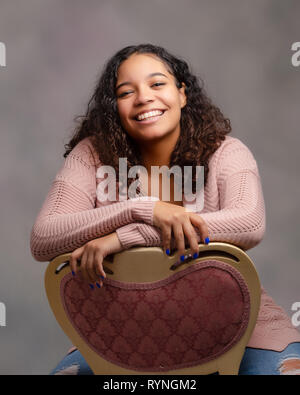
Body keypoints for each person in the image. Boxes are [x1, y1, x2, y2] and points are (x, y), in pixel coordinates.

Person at [30, 43, 300, 375]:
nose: (144, 97)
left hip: (240, 328)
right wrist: (141, 209)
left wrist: (125, 236)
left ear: (182, 94)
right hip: (122, 337)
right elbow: (44, 238)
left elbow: (249, 223)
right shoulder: (91, 155)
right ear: (114, 107)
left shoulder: (227, 153)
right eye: (126, 92)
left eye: (157, 84)